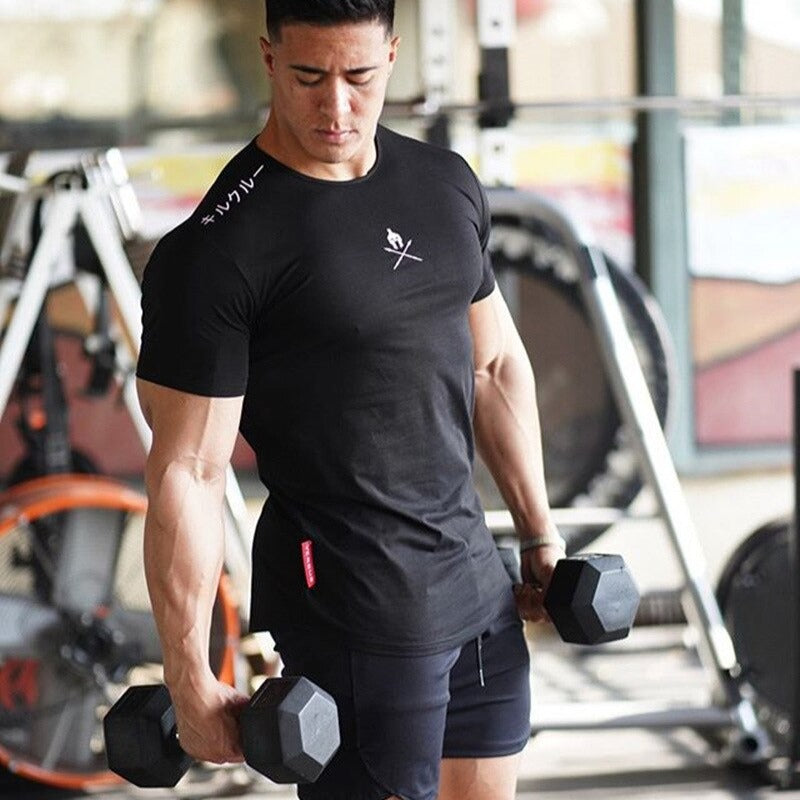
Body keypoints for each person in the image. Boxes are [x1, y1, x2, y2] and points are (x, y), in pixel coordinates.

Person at [135, 2, 565, 799]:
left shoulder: (443, 183)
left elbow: (495, 366)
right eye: (309, 76)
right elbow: (188, 472)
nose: (336, 105)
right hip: (356, 616)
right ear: (270, 59)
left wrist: (539, 531)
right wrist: (188, 672)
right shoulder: (218, 251)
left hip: (481, 594)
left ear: (393, 55)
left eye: (359, 76)